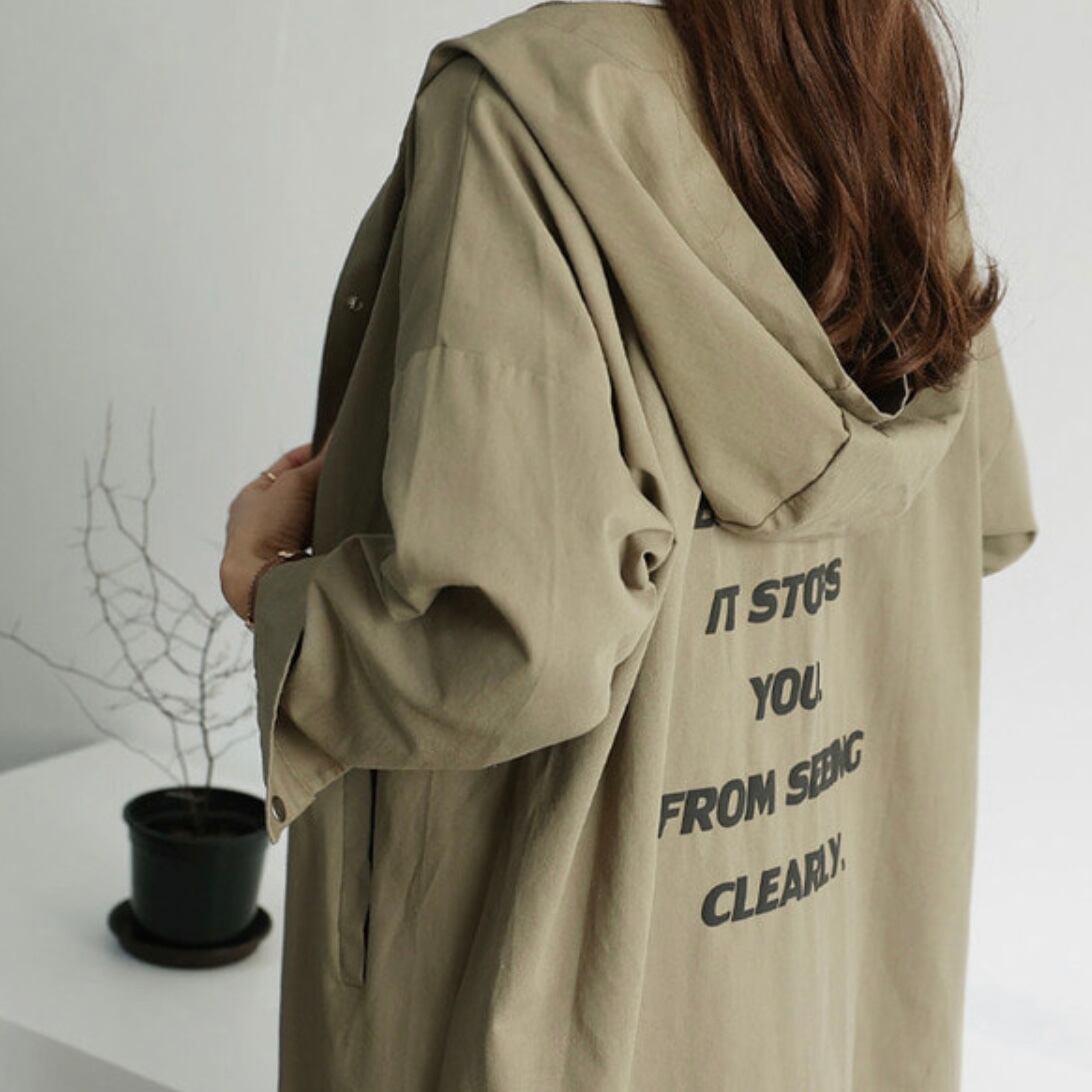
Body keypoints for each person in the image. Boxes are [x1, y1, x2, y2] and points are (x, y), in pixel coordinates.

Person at [219, 2, 1038, 1088]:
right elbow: (984, 514)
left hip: (582, 1009)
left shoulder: (529, 114)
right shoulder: (878, 101)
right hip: (821, 993)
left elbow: (509, 646)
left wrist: (269, 589)